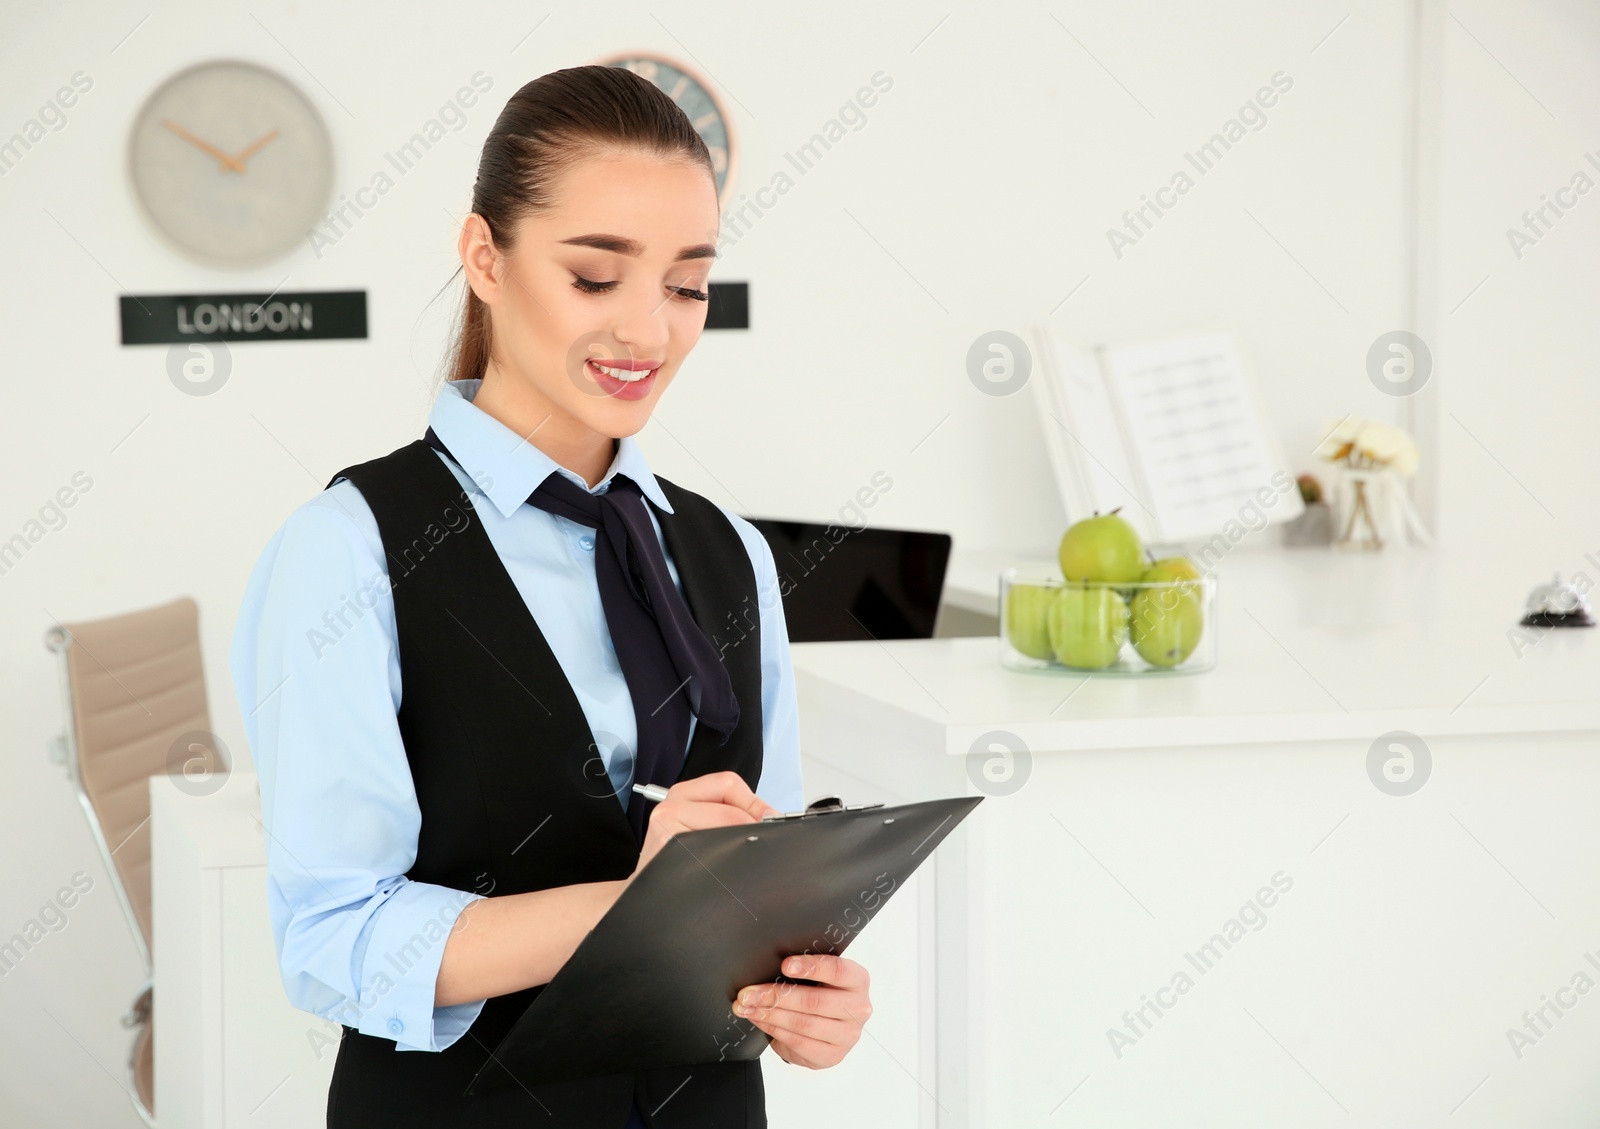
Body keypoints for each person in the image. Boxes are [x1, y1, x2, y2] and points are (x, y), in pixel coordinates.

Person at [228, 64, 873, 1128]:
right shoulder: (347, 550)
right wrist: (642, 910)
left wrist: (806, 1003)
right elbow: (331, 938)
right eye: (594, 276)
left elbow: (765, 891)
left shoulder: (730, 552)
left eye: (685, 284)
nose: (648, 333)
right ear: (485, 256)